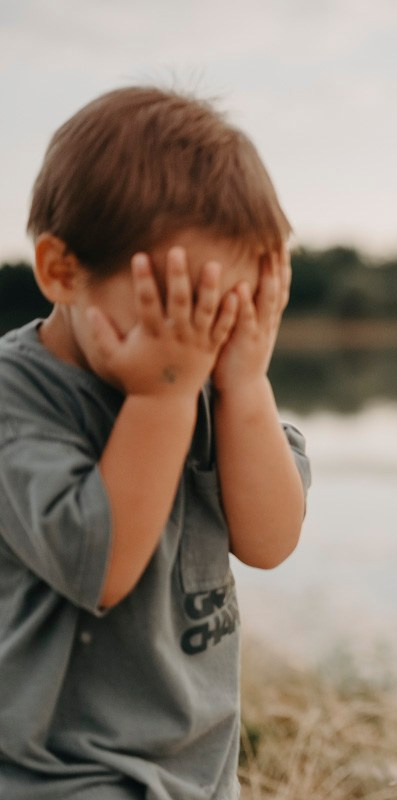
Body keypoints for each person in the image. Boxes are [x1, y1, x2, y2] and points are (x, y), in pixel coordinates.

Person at [0, 86, 311, 799]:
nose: (199, 337)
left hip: (198, 773)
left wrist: (246, 386)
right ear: (62, 272)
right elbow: (102, 566)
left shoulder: (206, 378)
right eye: (176, 306)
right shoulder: (18, 404)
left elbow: (269, 540)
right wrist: (165, 395)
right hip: (56, 775)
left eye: (225, 311)